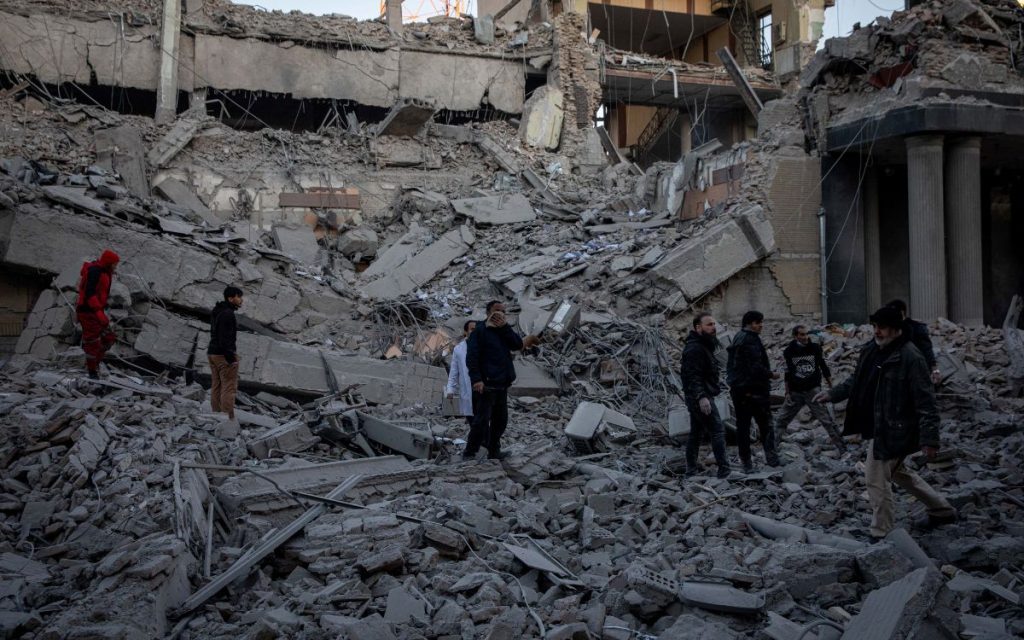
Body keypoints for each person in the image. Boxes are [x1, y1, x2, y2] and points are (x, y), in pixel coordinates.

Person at [814, 306, 956, 538]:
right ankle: (942, 510)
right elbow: (857, 380)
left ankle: (881, 532)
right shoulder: (872, 349)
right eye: (874, 326)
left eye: (881, 327)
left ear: (896, 329)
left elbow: (926, 402)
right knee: (899, 473)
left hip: (898, 429)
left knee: (875, 476)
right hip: (880, 425)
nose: (877, 331)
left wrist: (930, 440)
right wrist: (833, 394)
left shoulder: (911, 357)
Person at [464, 301, 539, 460]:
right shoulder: (480, 331)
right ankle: (470, 452)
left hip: (502, 384)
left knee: (500, 422)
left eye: (503, 311)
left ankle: (494, 451)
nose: (500, 314)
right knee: (481, 422)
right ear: (488, 312)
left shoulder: (504, 330)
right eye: (497, 310)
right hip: (486, 385)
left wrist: (505, 328)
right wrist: (477, 380)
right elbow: (471, 357)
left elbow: (517, 345)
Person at [774, 325, 845, 452]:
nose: (805, 337)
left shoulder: (815, 348)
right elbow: (787, 373)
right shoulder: (789, 351)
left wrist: (831, 387)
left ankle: (842, 448)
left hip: (813, 391)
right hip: (795, 392)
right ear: (795, 336)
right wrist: (787, 392)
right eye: (802, 334)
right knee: (781, 420)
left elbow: (823, 367)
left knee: (827, 421)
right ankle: (771, 449)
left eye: (806, 334)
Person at [726, 310, 780, 471]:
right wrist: (771, 374)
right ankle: (771, 459)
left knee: (743, 426)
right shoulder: (750, 340)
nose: (761, 326)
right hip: (754, 390)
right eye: (758, 323)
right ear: (749, 324)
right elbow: (755, 366)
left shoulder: (738, 337)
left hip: (739, 390)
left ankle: (746, 462)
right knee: (765, 424)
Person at [680, 312, 732, 479]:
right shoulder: (695, 348)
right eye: (709, 325)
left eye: (714, 324)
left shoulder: (703, 345)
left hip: (699, 395)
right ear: (698, 327)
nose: (713, 327)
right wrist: (702, 397)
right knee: (717, 430)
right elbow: (692, 376)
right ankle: (724, 470)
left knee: (696, 433)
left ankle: (690, 471)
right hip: (699, 397)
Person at [75, 249, 120, 379]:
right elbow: (89, 293)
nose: (116, 267)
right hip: (88, 311)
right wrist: (98, 312)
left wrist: (101, 311)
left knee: (109, 338)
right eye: (114, 264)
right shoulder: (95, 271)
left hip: (97, 311)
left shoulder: (106, 272)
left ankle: (95, 364)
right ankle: (92, 372)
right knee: (93, 342)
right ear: (109, 263)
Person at [208, 286, 243, 422]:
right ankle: (227, 419)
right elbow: (224, 338)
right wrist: (231, 358)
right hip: (223, 355)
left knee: (216, 385)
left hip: (212, 353)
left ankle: (215, 416)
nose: (241, 300)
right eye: (238, 297)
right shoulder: (228, 314)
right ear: (230, 298)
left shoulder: (217, 310)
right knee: (229, 387)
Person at [887, 299, 941, 385]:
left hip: (916, 373)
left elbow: (928, 351)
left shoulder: (917, 328)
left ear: (901, 313)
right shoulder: (888, 330)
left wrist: (935, 371)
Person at [445, 320, 478, 425]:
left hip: (482, 389)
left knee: (482, 420)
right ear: (465, 332)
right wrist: (450, 389)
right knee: (472, 420)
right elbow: (454, 372)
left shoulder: (485, 347)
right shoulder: (459, 349)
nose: (475, 332)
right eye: (472, 329)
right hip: (467, 390)